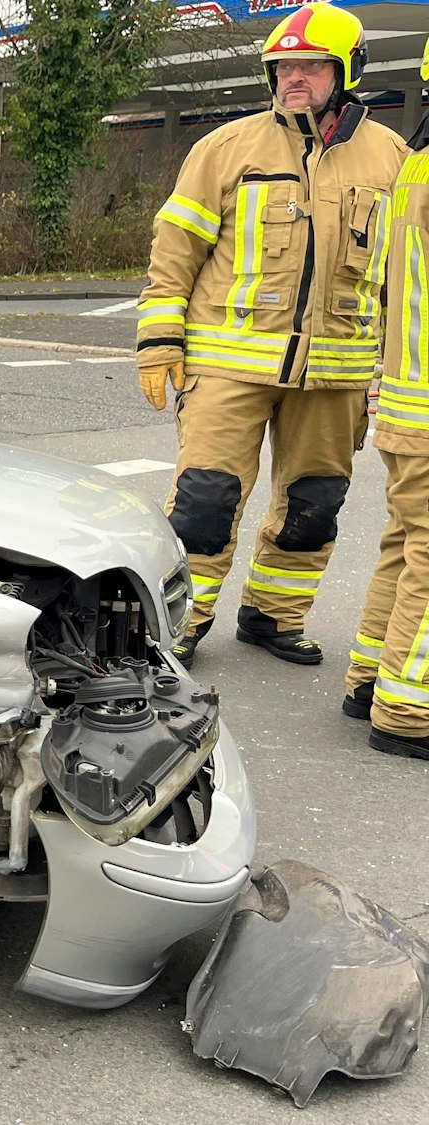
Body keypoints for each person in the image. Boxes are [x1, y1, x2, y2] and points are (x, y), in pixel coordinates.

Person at [137, 1, 407, 668]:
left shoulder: (392, 158)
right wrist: (159, 338)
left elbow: (407, 273)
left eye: (312, 66)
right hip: (227, 367)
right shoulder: (226, 148)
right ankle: (180, 622)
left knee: (313, 506)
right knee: (204, 505)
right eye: (284, 67)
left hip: (336, 374)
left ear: (348, 71)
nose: (295, 77)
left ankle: (272, 616)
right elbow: (175, 249)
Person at [344, 44, 429, 760]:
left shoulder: (413, 167)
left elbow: (376, 282)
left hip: (408, 401)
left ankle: (369, 677)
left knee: (406, 547)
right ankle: (409, 712)